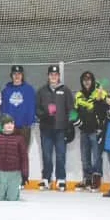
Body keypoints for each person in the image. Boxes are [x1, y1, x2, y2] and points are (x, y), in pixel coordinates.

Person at [36, 64, 74, 192]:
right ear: (48, 76)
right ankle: (46, 178)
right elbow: (37, 109)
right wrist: (45, 114)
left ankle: (61, 179)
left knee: (60, 155)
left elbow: (71, 109)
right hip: (46, 129)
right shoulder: (41, 91)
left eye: (56, 74)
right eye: (51, 74)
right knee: (46, 155)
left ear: (59, 76)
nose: (53, 77)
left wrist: (70, 125)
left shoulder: (65, 90)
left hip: (61, 129)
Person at [74, 71, 109, 192]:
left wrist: (100, 100)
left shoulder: (100, 92)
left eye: (89, 80)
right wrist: (77, 123)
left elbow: (108, 108)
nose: (87, 82)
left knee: (97, 156)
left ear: (92, 81)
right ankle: (87, 179)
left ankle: (96, 180)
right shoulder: (78, 95)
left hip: (96, 131)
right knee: (85, 157)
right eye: (84, 80)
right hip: (84, 131)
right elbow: (74, 111)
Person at [0, 115, 29, 202]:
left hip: (14, 173)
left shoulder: (20, 139)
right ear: (2, 125)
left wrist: (25, 174)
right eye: (7, 123)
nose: (10, 125)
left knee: (12, 199)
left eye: (11, 123)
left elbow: (24, 158)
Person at [1, 65, 36, 150]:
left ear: (22, 75)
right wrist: (4, 124)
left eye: (19, 74)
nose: (17, 76)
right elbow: (3, 109)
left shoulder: (29, 90)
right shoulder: (5, 91)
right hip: (9, 127)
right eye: (14, 74)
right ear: (11, 75)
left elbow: (32, 107)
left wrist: (29, 123)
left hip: (24, 127)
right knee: (10, 152)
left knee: (23, 152)